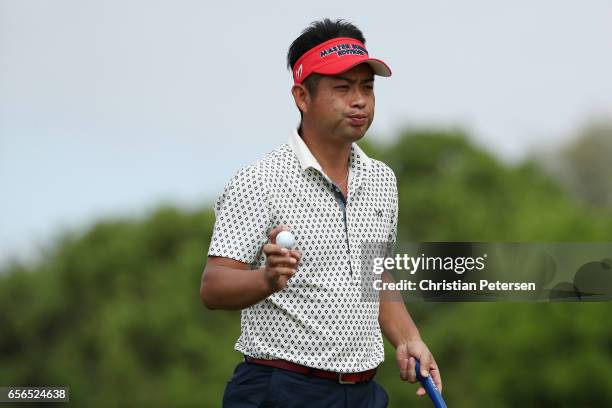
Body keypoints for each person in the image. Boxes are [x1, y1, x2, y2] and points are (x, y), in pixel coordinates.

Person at [201, 18, 442, 408]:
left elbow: (373, 273)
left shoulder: (382, 180)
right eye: (343, 88)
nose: (360, 100)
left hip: (364, 394)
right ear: (302, 97)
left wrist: (409, 338)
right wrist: (266, 279)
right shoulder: (258, 180)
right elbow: (213, 286)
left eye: (367, 87)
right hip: (280, 389)